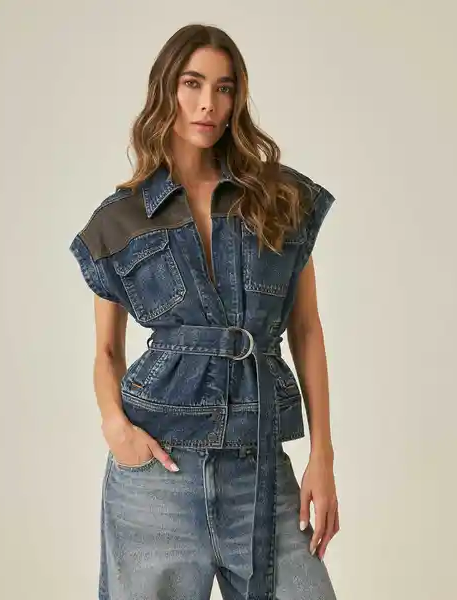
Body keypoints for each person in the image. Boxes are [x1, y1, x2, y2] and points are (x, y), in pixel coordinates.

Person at [69, 23, 339, 600]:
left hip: (258, 469)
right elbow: (107, 350)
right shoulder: (120, 219)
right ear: (166, 89)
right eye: (192, 84)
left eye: (224, 87)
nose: (208, 103)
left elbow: (307, 329)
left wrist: (323, 456)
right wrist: (116, 428)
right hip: (156, 478)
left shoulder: (279, 199)